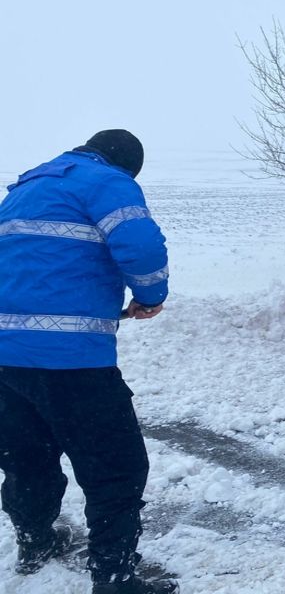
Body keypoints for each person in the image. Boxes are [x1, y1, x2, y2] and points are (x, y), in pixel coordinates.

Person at [0, 130, 175, 594]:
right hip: (72, 360)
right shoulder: (108, 182)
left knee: (26, 457)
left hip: (5, 358)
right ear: (126, 164)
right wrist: (151, 295)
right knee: (116, 466)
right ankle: (115, 578)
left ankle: (35, 541)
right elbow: (141, 248)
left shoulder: (26, 188)